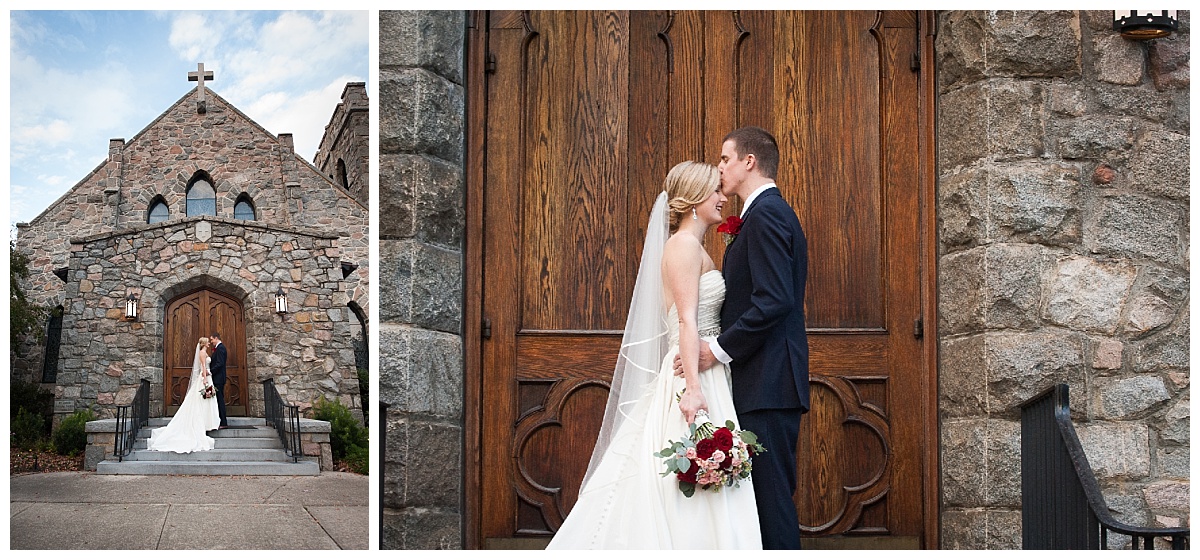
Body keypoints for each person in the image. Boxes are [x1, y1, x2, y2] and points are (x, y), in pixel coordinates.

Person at [547, 161, 761, 549]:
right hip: (693, 376)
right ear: (694, 200)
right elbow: (684, 321)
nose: (722, 197)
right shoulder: (682, 247)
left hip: (709, 370)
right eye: (714, 191)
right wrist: (694, 391)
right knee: (683, 474)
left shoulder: (694, 246)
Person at [681, 126, 809, 549]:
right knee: (760, 506)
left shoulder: (767, 214)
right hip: (763, 382)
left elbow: (773, 300)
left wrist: (714, 351)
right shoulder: (760, 214)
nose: (719, 167)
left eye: (724, 158)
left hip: (769, 384)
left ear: (748, 162)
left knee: (771, 506)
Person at [147, 337, 221, 453]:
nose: (209, 343)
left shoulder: (205, 352)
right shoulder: (202, 353)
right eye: (207, 342)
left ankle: (208, 422)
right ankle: (202, 423)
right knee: (202, 399)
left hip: (208, 376)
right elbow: (203, 367)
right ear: (203, 343)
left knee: (207, 399)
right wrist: (205, 379)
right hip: (205, 378)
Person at [209, 333, 229, 428]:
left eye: (212, 339)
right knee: (218, 399)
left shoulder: (220, 348)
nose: (211, 342)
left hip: (218, 379)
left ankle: (224, 422)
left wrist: (210, 371)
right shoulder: (218, 348)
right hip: (217, 378)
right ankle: (220, 420)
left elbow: (220, 363)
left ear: (216, 338)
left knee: (220, 400)